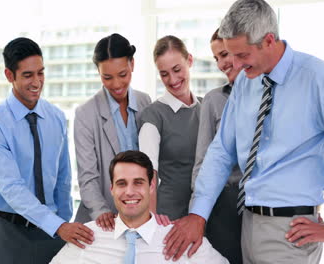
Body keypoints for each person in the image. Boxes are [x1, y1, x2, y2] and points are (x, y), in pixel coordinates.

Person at [163, 0, 324, 263]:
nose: (236, 65)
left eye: (243, 55)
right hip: (247, 222)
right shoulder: (245, 82)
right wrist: (198, 213)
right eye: (231, 55)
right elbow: (221, 151)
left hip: (291, 231)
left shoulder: (319, 79)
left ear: (268, 41)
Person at [0, 37, 94, 264]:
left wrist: (61, 222)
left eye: (40, 73)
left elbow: (62, 177)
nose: (37, 82)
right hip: (5, 231)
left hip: (49, 231)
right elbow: (12, 188)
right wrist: (58, 225)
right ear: (10, 76)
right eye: (28, 75)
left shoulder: (57, 118)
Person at [50, 150, 228, 264]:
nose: (129, 192)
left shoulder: (181, 237)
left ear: (151, 186)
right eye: (121, 184)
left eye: (138, 183)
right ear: (111, 189)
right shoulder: (87, 236)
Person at [73, 33, 152, 230]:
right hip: (101, 219)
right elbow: (87, 176)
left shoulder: (145, 102)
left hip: (139, 218)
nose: (116, 84)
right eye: (107, 77)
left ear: (132, 65)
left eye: (123, 74)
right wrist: (101, 212)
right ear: (98, 73)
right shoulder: (85, 113)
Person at [189, 28, 243, 264]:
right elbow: (203, 160)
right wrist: (197, 213)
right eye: (216, 58)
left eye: (224, 55)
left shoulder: (270, 96)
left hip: (261, 204)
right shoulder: (213, 100)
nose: (221, 64)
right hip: (225, 204)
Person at [138, 35, 201, 221]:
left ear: (189, 60)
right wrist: (152, 222)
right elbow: (149, 174)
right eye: (164, 74)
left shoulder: (206, 108)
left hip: (205, 214)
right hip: (169, 217)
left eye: (177, 69)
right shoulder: (154, 115)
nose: (172, 79)